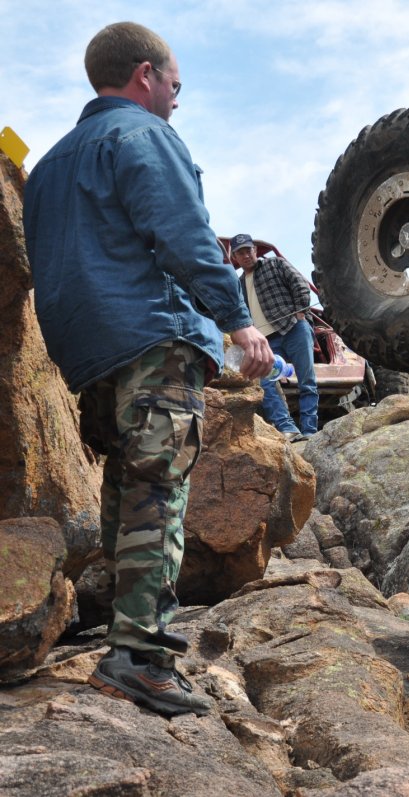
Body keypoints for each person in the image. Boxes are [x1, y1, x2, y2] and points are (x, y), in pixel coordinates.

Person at [23, 21, 273, 717]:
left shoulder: (47, 167)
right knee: (158, 487)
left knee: (125, 484)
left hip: (85, 352)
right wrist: (238, 319)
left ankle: (122, 635)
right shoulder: (143, 137)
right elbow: (182, 234)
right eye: (175, 85)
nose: (175, 100)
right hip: (149, 335)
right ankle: (139, 656)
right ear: (144, 76)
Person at [229, 233, 318, 441]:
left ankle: (310, 432)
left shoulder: (275, 264)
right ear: (235, 257)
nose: (245, 255)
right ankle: (288, 428)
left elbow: (300, 285)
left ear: (255, 251)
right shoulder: (239, 285)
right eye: (240, 253)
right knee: (266, 384)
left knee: (307, 381)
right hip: (266, 342)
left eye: (248, 250)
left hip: (293, 329)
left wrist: (300, 313)